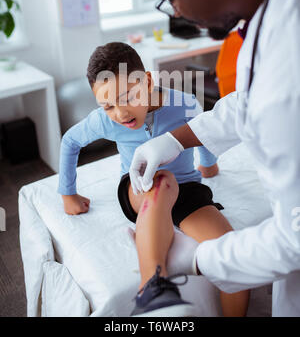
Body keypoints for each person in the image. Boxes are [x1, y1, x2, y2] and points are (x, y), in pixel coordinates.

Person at [130, 0, 300, 317]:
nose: (177, 12)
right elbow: (248, 103)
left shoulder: (291, 64)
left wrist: (195, 258)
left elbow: (294, 238)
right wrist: (173, 140)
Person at [58, 41, 250, 317]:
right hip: (140, 188)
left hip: (186, 192)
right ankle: (151, 287)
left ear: (147, 82)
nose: (120, 113)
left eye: (127, 97)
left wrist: (208, 165)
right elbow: (70, 141)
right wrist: (68, 193)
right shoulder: (105, 120)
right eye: (108, 105)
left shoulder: (185, 104)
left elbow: (204, 135)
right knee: (162, 179)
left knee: (235, 259)